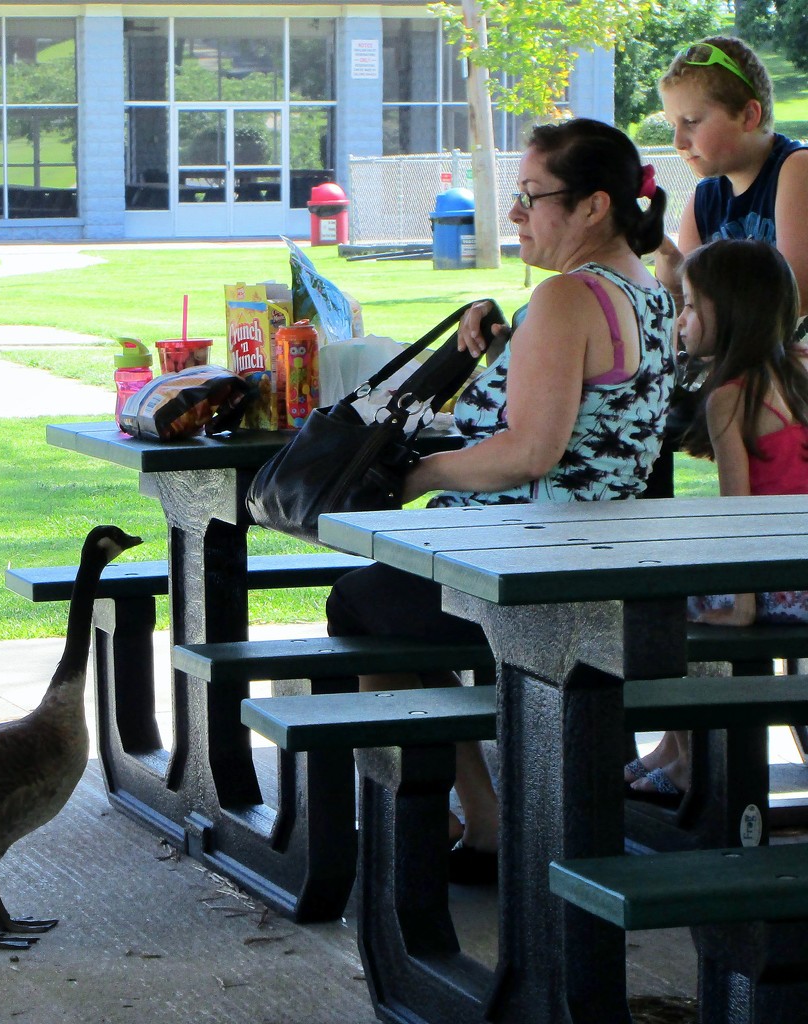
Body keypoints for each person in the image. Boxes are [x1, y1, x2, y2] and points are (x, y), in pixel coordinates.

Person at [325, 117, 677, 883]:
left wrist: (417, 478)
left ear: (592, 207)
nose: (514, 213)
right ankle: (480, 814)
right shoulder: (646, 293)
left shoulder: (566, 298)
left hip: (528, 562)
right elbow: (581, 428)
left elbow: (530, 451)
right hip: (595, 553)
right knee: (382, 599)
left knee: (359, 602)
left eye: (530, 196)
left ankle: (444, 828)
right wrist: (499, 356)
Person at [627, 239, 808, 803]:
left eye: (688, 305)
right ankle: (672, 750)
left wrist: (744, 607)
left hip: (783, 591)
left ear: (727, 314)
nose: (680, 321)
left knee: (647, 607)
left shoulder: (729, 398)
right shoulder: (803, 372)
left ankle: (686, 761)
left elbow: (740, 519)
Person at [655, 36, 808, 328]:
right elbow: (683, 315)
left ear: (749, 116)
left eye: (692, 121)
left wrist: (701, 297)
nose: (678, 142)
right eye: (673, 126)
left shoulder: (796, 169)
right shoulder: (703, 201)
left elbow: (795, 292)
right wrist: (667, 262)